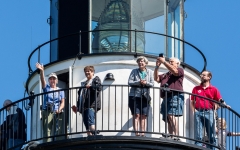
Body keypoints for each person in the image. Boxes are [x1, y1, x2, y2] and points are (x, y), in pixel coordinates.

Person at [154, 56, 184, 140]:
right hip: (166, 97)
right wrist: (157, 67)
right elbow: (156, 78)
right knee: (168, 117)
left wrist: (164, 62)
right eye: (169, 61)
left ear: (177, 64)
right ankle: (171, 136)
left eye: (172, 62)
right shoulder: (166, 74)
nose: (170, 63)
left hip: (175, 95)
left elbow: (175, 72)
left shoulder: (180, 70)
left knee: (171, 115)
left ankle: (176, 135)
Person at [191, 70, 222, 149]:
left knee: (211, 133)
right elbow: (192, 101)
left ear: (209, 77)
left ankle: (212, 148)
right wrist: (194, 111)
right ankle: (198, 148)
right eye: (201, 75)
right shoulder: (196, 88)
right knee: (198, 134)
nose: (202, 76)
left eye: (204, 75)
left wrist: (217, 106)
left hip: (209, 112)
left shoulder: (214, 89)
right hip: (198, 112)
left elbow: (219, 101)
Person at [36, 62, 65, 142]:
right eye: (51, 79)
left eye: (54, 79)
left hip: (57, 111)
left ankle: (58, 144)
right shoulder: (47, 88)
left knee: (58, 130)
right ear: (49, 80)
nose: (52, 80)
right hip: (47, 111)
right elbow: (42, 81)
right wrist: (42, 71)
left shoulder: (61, 90)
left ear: (57, 80)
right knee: (47, 131)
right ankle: (47, 144)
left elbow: (62, 102)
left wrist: (60, 109)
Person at [72, 66, 102, 136]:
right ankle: (90, 138)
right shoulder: (84, 83)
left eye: (88, 71)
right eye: (85, 71)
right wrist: (78, 107)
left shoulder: (95, 80)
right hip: (84, 107)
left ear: (92, 72)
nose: (87, 72)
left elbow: (98, 89)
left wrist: (91, 87)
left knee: (90, 122)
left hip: (91, 105)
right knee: (87, 126)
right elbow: (81, 96)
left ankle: (94, 135)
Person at [128, 56, 154, 137]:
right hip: (134, 96)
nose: (140, 63)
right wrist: (139, 82)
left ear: (145, 63)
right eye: (139, 61)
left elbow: (152, 84)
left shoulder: (149, 72)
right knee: (136, 115)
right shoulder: (134, 71)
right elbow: (129, 82)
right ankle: (137, 133)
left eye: (142, 61)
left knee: (143, 115)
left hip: (145, 97)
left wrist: (146, 83)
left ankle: (142, 133)